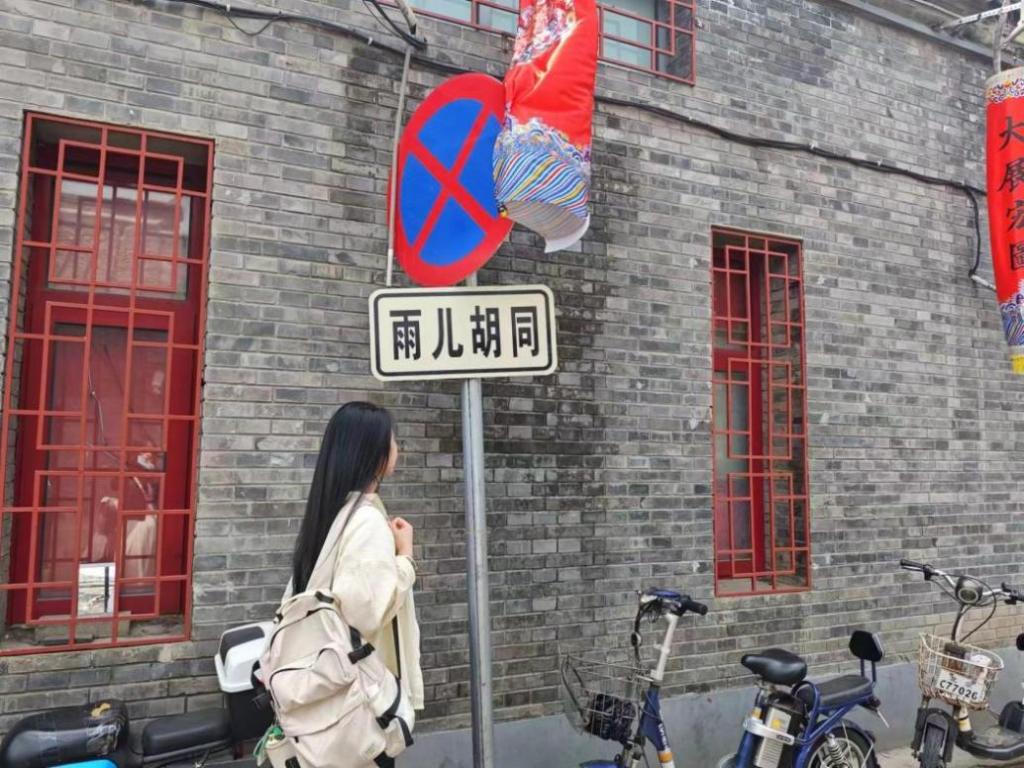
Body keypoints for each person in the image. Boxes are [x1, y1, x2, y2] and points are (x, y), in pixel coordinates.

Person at [288, 401, 424, 735]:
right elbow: (364, 612)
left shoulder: (331, 512)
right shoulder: (366, 520)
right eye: (392, 440)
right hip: (361, 701)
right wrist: (405, 558)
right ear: (374, 454)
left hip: (328, 692)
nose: (398, 447)